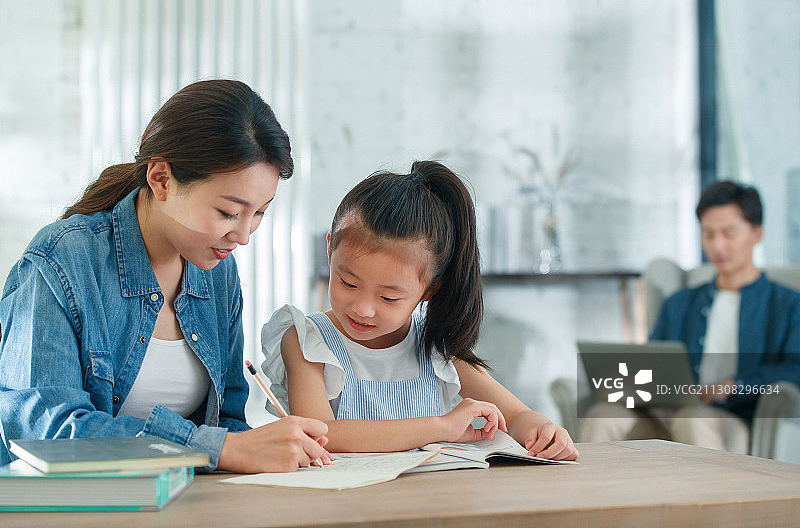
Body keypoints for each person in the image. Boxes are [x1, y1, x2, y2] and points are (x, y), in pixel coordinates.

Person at [0, 79, 331, 472]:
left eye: (259, 213)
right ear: (161, 180)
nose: (242, 236)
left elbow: (226, 421)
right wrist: (215, 449)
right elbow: (43, 431)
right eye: (228, 212)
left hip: (181, 501)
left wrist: (267, 446)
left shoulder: (217, 270)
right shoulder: (64, 259)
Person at [261, 161, 578, 460]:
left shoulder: (434, 344)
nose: (363, 308)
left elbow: (516, 415)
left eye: (389, 298)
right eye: (347, 283)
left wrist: (542, 430)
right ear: (329, 250)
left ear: (428, 290)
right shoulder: (305, 340)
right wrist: (441, 427)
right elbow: (320, 434)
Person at [581, 180, 800, 453]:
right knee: (604, 415)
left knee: (691, 418)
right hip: (667, 411)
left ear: (757, 233)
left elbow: (795, 368)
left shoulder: (788, 304)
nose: (717, 245)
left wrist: (736, 385)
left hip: (730, 418)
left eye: (728, 233)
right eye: (708, 234)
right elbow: (651, 361)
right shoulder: (680, 303)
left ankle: (710, 497)